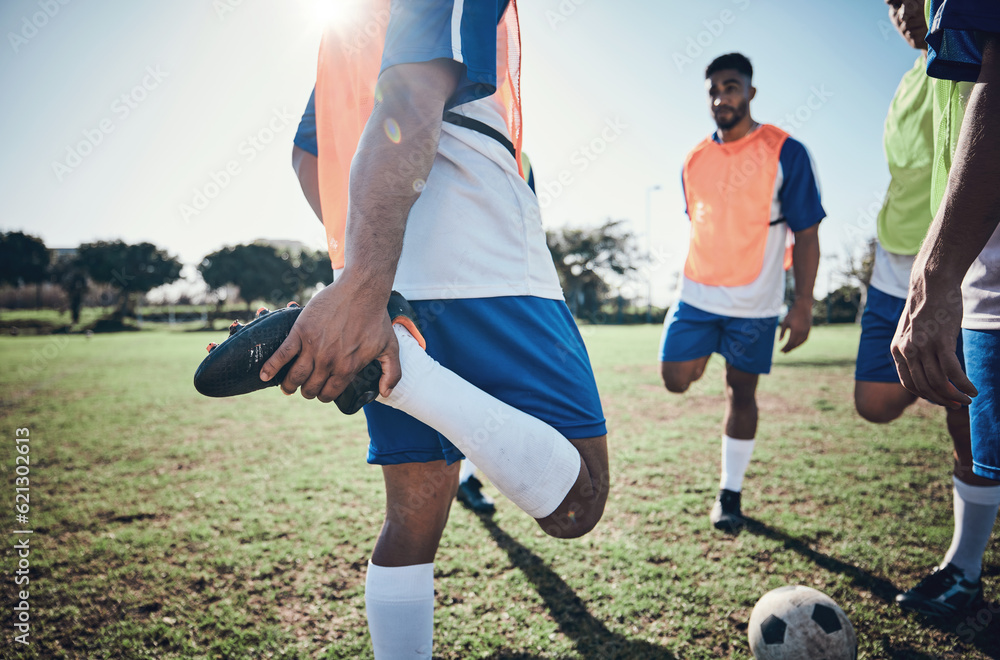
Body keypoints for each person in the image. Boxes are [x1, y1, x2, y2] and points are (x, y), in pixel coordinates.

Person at [276, 2, 609, 656]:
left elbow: (305, 154)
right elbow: (412, 93)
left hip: (387, 273)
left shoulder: (344, 28)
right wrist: (366, 287)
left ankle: (399, 368)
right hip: (480, 254)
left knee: (411, 520)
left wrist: (355, 271)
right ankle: (407, 373)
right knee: (579, 502)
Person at [660, 52, 824, 533]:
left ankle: (729, 494)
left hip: (755, 301)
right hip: (696, 295)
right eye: (713, 90)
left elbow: (807, 233)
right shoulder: (694, 159)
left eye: (730, 87)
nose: (720, 98)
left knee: (741, 392)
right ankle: (707, 346)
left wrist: (803, 303)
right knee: (674, 378)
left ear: (751, 92)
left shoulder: (785, 151)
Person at [891, 0, 1000, 618]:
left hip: (974, 261)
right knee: (977, 430)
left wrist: (936, 271)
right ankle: (965, 567)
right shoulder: (927, 66)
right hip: (978, 264)